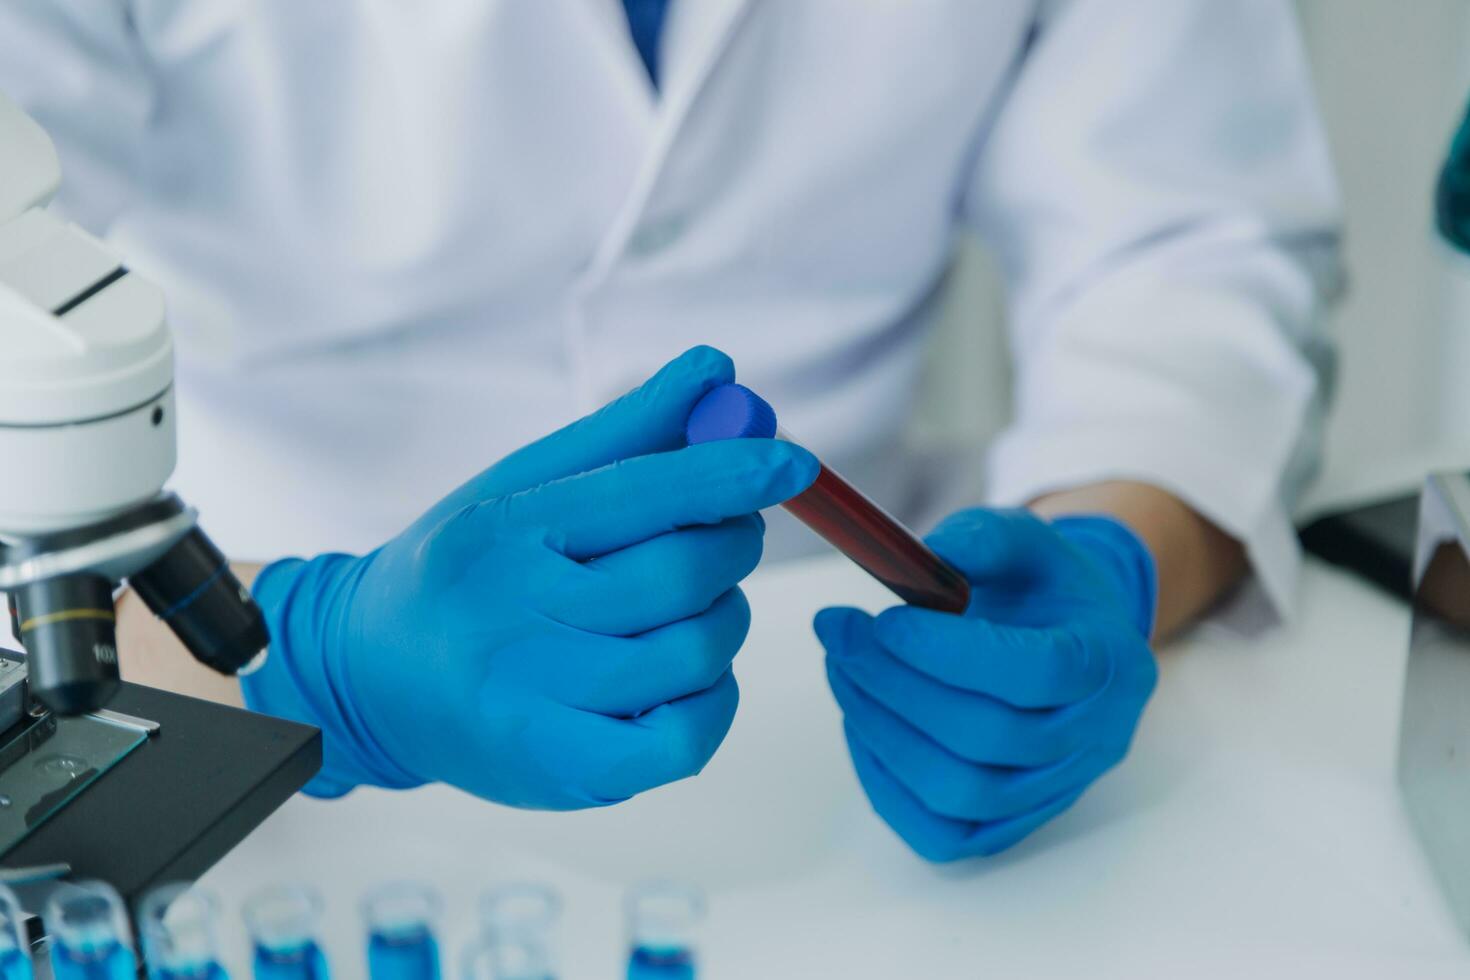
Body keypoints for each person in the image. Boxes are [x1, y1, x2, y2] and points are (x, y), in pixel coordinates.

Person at [0, 0, 1341, 860]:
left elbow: (1185, 245)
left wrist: (1114, 551)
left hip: (856, 706)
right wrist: (313, 657)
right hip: (207, 685)